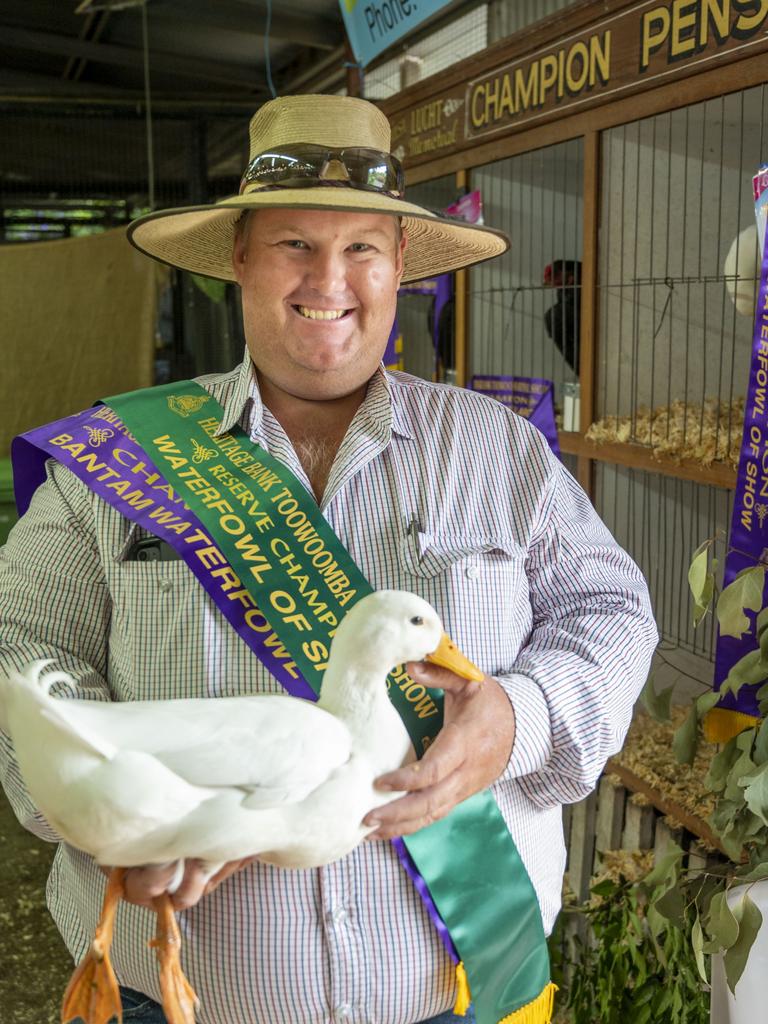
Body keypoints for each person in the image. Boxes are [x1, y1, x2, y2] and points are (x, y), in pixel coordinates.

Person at [0, 94, 657, 1024]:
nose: (329, 279)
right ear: (238, 257)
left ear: (399, 267)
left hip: (460, 992)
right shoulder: (120, 460)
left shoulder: (498, 449)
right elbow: (20, 647)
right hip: (181, 993)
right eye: (294, 245)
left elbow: (613, 613)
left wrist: (522, 716)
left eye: (361, 248)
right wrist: (94, 805)